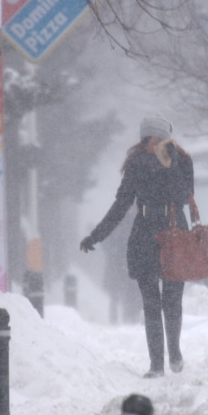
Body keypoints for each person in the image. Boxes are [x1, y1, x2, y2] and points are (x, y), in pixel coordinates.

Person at [80, 115, 195, 378]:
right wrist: (96, 236)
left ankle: (174, 352)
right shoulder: (135, 164)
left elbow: (185, 197)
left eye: (157, 139)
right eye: (148, 139)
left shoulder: (182, 161)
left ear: (166, 138)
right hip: (145, 234)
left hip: (175, 232)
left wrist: (172, 166)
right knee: (151, 303)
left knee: (173, 300)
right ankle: (156, 364)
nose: (152, 144)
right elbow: (121, 204)